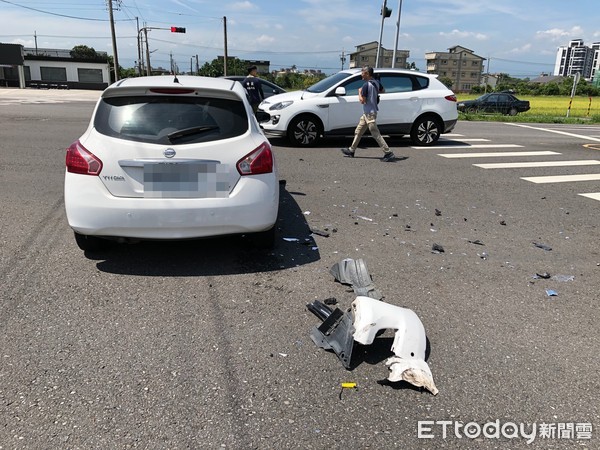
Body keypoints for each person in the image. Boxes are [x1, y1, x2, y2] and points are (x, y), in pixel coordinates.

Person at [341, 66, 395, 162]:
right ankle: (351, 150)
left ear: (367, 74)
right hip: (368, 113)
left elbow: (362, 101)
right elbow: (383, 90)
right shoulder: (376, 83)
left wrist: (359, 92)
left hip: (369, 113)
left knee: (375, 134)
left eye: (362, 72)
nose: (361, 74)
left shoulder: (366, 85)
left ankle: (388, 153)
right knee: (358, 131)